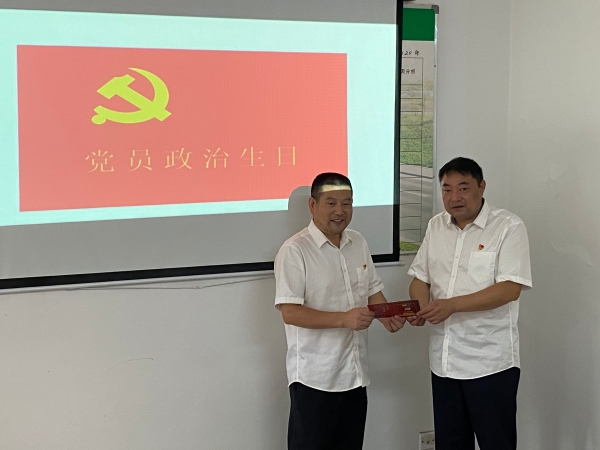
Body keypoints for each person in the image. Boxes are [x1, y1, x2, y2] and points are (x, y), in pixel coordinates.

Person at [407, 157, 532, 450]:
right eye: (447, 189)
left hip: (489, 363)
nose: (454, 197)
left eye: (463, 188)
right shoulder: (436, 225)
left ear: (481, 187)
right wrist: (419, 306)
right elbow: (420, 278)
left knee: (496, 443)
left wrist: (451, 305)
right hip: (444, 362)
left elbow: (510, 289)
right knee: (450, 443)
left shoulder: (508, 226)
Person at [275, 172, 404, 450]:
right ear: (312, 205)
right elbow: (290, 312)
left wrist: (388, 315)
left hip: (354, 374)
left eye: (347, 203)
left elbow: (371, 288)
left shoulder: (358, 242)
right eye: (331, 203)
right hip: (315, 379)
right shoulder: (295, 250)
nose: (340, 211)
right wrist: (345, 319)